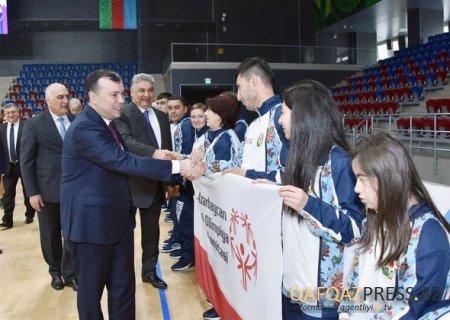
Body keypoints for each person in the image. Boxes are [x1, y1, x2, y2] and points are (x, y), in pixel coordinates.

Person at [60, 69, 203, 320]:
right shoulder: (85, 128)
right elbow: (121, 160)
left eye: (122, 94)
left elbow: (132, 154)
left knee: (123, 290)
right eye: (113, 95)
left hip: (118, 223)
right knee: (91, 296)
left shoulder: (108, 124)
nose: (121, 100)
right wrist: (178, 167)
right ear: (93, 97)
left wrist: (163, 155)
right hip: (90, 228)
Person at [339, 131, 450, 319]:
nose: (356, 188)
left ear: (386, 179)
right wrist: (346, 311)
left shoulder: (428, 237)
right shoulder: (373, 220)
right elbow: (357, 274)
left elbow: (411, 310)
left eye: (362, 179)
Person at [277, 80, 364, 319]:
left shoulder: (341, 163)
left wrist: (308, 205)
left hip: (322, 300)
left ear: (303, 117)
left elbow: (356, 228)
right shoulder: (299, 158)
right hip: (291, 286)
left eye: (284, 113)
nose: (280, 120)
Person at [114, 73, 173, 290]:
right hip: (127, 186)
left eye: (149, 90)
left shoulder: (162, 116)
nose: (146, 95)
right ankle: (122, 276)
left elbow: (169, 148)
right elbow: (128, 144)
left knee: (151, 234)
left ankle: (149, 272)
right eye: (141, 90)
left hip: (155, 185)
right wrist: (156, 153)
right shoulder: (122, 114)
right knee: (122, 236)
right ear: (131, 92)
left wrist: (170, 181)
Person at [20, 83, 77, 291]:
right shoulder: (34, 124)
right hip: (46, 191)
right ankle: (55, 272)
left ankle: (70, 273)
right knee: (50, 235)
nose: (65, 101)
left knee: (72, 234)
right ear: (48, 101)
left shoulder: (75, 120)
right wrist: (32, 193)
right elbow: (26, 162)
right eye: (60, 97)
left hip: (74, 191)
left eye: (66, 97)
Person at [197, 94, 240, 320]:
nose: (205, 114)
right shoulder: (214, 136)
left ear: (221, 116)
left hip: (224, 208)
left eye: (210, 111)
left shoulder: (225, 139)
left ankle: (223, 304)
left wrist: (198, 166)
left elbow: (222, 168)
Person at [223, 56, 286, 183]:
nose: (239, 97)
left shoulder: (282, 117)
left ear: (253, 81)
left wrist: (248, 174)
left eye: (239, 87)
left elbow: (298, 172)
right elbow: (237, 164)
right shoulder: (253, 125)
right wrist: (203, 167)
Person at [0, 103, 35, 228]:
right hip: (8, 167)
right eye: (8, 113)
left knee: (27, 192)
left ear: (18, 112)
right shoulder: (1, 129)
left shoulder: (27, 127)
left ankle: (29, 215)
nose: (11, 114)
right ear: (4, 114)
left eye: (13, 112)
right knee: (8, 195)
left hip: (24, 166)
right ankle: (7, 220)